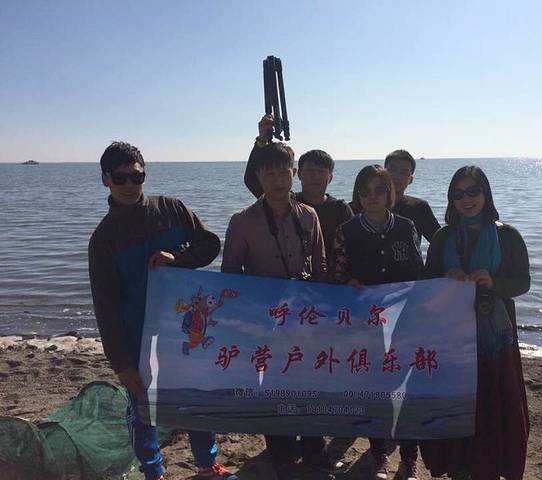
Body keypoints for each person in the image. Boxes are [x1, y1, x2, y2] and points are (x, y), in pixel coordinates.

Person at [88, 142, 238, 480]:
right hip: (137, 337)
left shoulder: (171, 208)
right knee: (144, 409)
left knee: (194, 398)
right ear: (105, 179)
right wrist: (121, 363)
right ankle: (153, 471)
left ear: (145, 174)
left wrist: (178, 258)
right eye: (120, 178)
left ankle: (207, 464)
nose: (129, 185)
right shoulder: (103, 239)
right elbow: (105, 306)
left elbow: (210, 244)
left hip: (185, 330)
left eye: (136, 176)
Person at [222, 142, 337, 480]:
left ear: (293, 173)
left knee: (311, 382)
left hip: (305, 317)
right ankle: (281, 452)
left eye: (282, 172)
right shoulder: (242, 221)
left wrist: (324, 311)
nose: (276, 180)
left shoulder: (309, 215)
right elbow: (231, 274)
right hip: (266, 322)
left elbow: (321, 266)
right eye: (268, 173)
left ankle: (314, 449)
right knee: (273, 386)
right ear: (258, 176)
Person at [419, 165, 530, 480]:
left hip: (496, 336)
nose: (466, 200)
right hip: (451, 335)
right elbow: (427, 283)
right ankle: (458, 466)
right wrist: (446, 278)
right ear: (451, 199)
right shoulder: (442, 237)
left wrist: (494, 283)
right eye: (458, 194)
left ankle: (491, 466)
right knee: (457, 402)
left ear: (486, 193)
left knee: (494, 402)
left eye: (473, 191)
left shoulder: (507, 235)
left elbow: (523, 282)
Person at [331, 165, 423, 480]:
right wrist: (348, 283)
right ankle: (379, 455)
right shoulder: (347, 230)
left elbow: (418, 270)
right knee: (374, 389)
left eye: (379, 190)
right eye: (365, 191)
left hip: (403, 321)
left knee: (405, 389)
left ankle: (409, 459)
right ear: (358, 195)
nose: (372, 197)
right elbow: (337, 274)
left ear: (390, 193)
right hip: (365, 324)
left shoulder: (406, 226)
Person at [244, 114, 354, 257]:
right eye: (310, 171)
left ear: (330, 178)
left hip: (331, 270)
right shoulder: (285, 202)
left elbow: (356, 245)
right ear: (298, 174)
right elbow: (252, 179)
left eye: (321, 172)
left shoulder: (341, 209)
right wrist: (261, 141)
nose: (315, 176)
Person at [350, 150, 440, 250]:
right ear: (383, 173)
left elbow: (440, 244)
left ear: (410, 180)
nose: (397, 176)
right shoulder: (358, 206)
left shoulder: (419, 207)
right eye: (392, 169)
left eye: (404, 172)